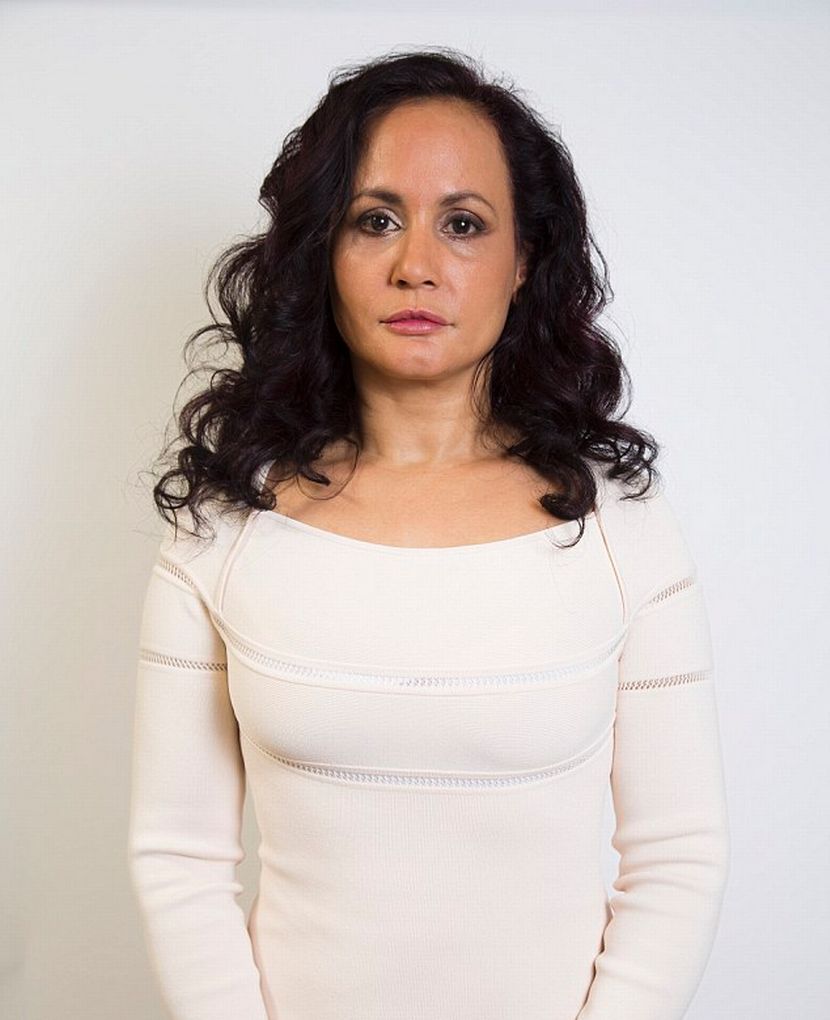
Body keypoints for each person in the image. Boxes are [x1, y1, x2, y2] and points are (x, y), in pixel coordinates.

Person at [126, 47, 730, 1020]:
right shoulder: (222, 529)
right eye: (374, 220)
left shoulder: (620, 527)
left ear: (524, 259)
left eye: (462, 223)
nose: (416, 265)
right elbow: (178, 857)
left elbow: (677, 856)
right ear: (322, 252)